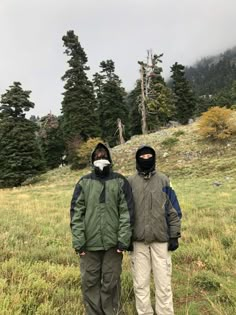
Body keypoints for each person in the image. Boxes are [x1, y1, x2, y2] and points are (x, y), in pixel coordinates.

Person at [70, 142, 134, 315]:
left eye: (103, 155)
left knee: (111, 281)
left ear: (109, 158)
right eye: (97, 156)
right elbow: (76, 214)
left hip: (114, 245)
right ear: (92, 160)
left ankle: (112, 311)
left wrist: (123, 241)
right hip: (89, 246)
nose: (100, 158)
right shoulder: (83, 183)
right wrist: (79, 242)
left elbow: (126, 213)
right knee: (90, 282)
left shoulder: (120, 181)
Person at [128, 145, 182, 315]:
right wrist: (126, 237)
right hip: (138, 241)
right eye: (142, 157)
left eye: (149, 156)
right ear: (137, 159)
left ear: (154, 158)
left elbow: (173, 209)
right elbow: (125, 212)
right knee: (140, 284)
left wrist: (174, 235)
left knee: (163, 283)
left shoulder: (164, 180)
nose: (146, 159)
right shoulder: (129, 182)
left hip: (161, 240)